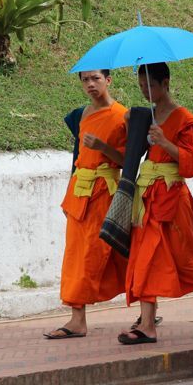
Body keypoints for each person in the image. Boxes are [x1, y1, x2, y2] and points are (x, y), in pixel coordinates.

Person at [118, 62, 193, 345]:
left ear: (165, 84)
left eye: (149, 85)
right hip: (147, 196)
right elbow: (134, 152)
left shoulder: (185, 119)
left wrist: (165, 142)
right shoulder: (145, 115)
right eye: (140, 86)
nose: (145, 91)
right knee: (143, 257)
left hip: (173, 198)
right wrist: (132, 127)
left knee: (185, 259)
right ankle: (148, 326)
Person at [44, 69, 128, 339]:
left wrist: (104, 146)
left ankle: (148, 305)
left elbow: (128, 161)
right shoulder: (82, 115)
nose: (90, 84)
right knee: (75, 255)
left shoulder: (122, 116)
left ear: (108, 80)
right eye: (85, 80)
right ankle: (77, 318)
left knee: (111, 253)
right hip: (80, 193)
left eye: (96, 79)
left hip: (105, 192)